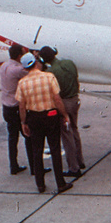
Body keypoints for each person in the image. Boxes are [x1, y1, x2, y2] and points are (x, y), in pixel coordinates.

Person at [17, 52, 70, 194]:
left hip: (33, 117)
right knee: (55, 149)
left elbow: (21, 106)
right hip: (50, 115)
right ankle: (60, 183)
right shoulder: (49, 77)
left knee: (37, 151)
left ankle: (40, 184)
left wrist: (23, 122)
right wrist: (64, 115)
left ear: (24, 68)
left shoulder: (22, 83)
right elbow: (57, 99)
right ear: (36, 62)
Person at [39, 46, 84, 178]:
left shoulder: (51, 72)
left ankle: (74, 167)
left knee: (67, 135)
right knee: (74, 130)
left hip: (64, 103)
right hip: (75, 99)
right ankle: (79, 160)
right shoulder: (69, 63)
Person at [0, 44, 28, 175]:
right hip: (16, 107)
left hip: (6, 107)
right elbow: (31, 71)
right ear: (19, 56)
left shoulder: (4, 66)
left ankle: (13, 165)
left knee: (12, 137)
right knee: (28, 135)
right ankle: (34, 165)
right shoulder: (18, 69)